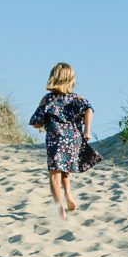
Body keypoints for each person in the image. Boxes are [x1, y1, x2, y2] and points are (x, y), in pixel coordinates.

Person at [29, 62, 103, 220]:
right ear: (71, 79)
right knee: (65, 168)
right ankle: (69, 195)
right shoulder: (77, 98)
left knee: (54, 173)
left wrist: (44, 122)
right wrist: (87, 131)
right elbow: (89, 110)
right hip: (73, 138)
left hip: (56, 137)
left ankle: (60, 210)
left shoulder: (48, 99)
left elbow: (36, 122)